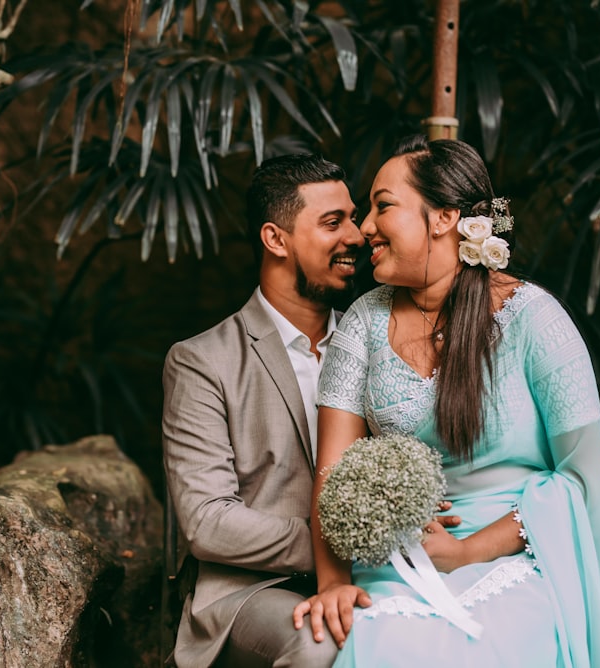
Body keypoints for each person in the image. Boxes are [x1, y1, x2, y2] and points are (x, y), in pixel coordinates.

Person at [292, 136, 600, 667]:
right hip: (397, 562)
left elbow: (581, 480)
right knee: (383, 641)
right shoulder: (361, 324)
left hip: (520, 559)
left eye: (383, 206)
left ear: (445, 217)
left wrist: (469, 551)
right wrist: (333, 583)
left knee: (492, 644)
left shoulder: (535, 320)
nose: (366, 229)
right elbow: (333, 473)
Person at [161, 152, 365, 668]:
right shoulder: (201, 360)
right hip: (251, 592)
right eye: (333, 222)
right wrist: (340, 545)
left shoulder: (377, 345)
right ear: (276, 239)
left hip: (372, 577)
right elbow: (208, 521)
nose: (357, 237)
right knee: (321, 643)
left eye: (354, 218)